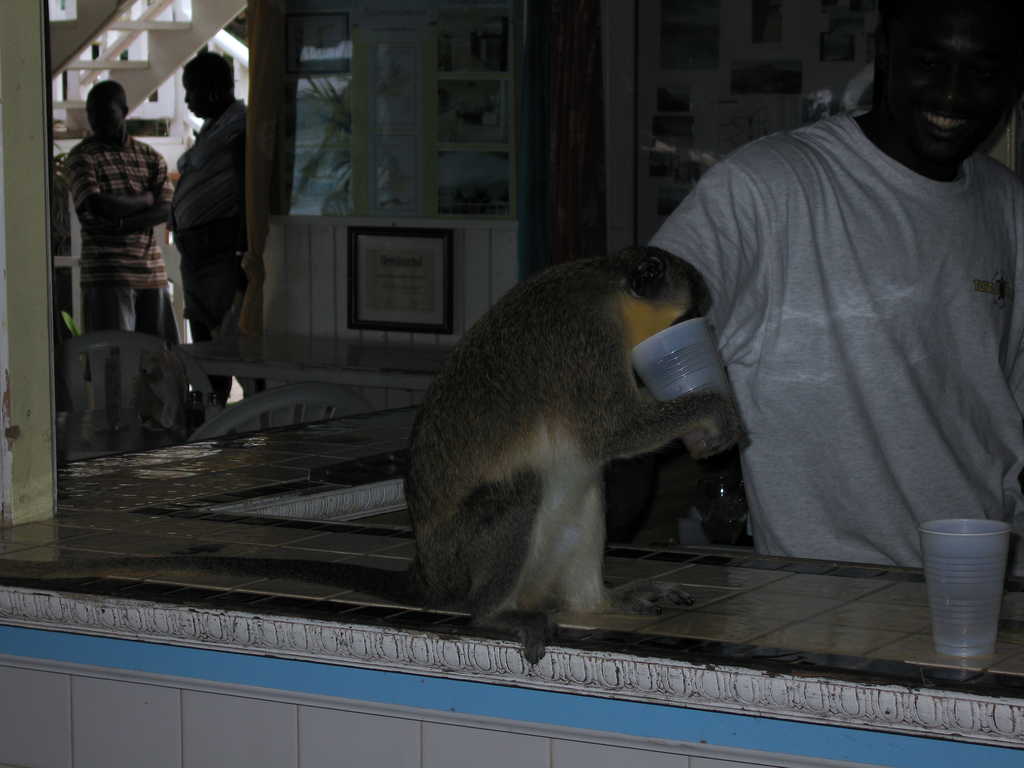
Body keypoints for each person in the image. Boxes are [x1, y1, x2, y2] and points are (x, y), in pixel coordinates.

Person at [649, 0, 1024, 570]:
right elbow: (642, 313)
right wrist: (714, 447)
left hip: (985, 585)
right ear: (885, 53)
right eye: (929, 63)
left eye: (984, 71)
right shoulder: (770, 186)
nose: (953, 94)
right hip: (827, 594)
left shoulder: (1009, 206)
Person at [65, 80, 178, 343]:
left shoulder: (150, 156)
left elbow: (166, 208)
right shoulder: (82, 156)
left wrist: (122, 223)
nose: (97, 120)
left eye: (106, 112)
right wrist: (146, 198)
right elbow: (97, 204)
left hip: (151, 274)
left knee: (158, 358)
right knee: (114, 359)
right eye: (92, 113)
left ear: (124, 111)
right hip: (107, 275)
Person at [169, 51, 248, 405]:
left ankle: (238, 421)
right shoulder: (214, 129)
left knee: (228, 346)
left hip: (221, 258)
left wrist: (242, 255)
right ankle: (211, 422)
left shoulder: (238, 129)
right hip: (198, 259)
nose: (187, 100)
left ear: (213, 90)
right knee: (205, 354)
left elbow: (246, 196)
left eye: (191, 90)